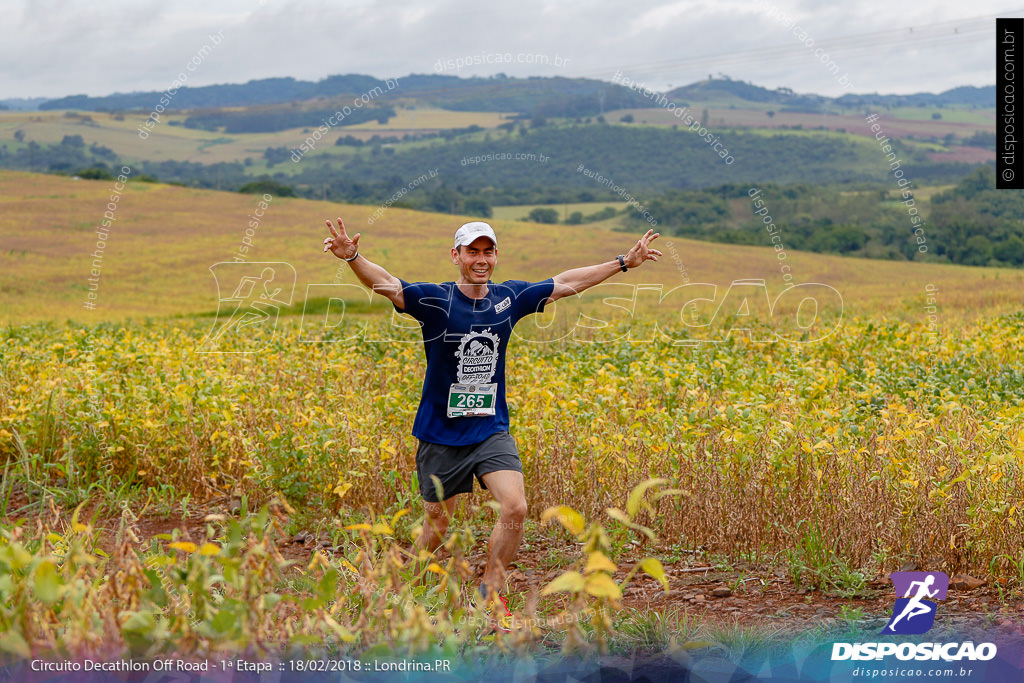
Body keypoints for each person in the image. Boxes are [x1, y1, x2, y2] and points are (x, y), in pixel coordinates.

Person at [322, 218, 661, 609]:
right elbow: (391, 286)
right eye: (472, 252)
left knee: (515, 507)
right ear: (456, 256)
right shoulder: (436, 300)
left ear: (496, 255)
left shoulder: (509, 298)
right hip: (439, 433)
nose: (481, 259)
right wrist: (353, 258)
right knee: (437, 528)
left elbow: (566, 282)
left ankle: (489, 592)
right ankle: (395, 592)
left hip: (489, 428)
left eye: (488, 251)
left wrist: (622, 262)